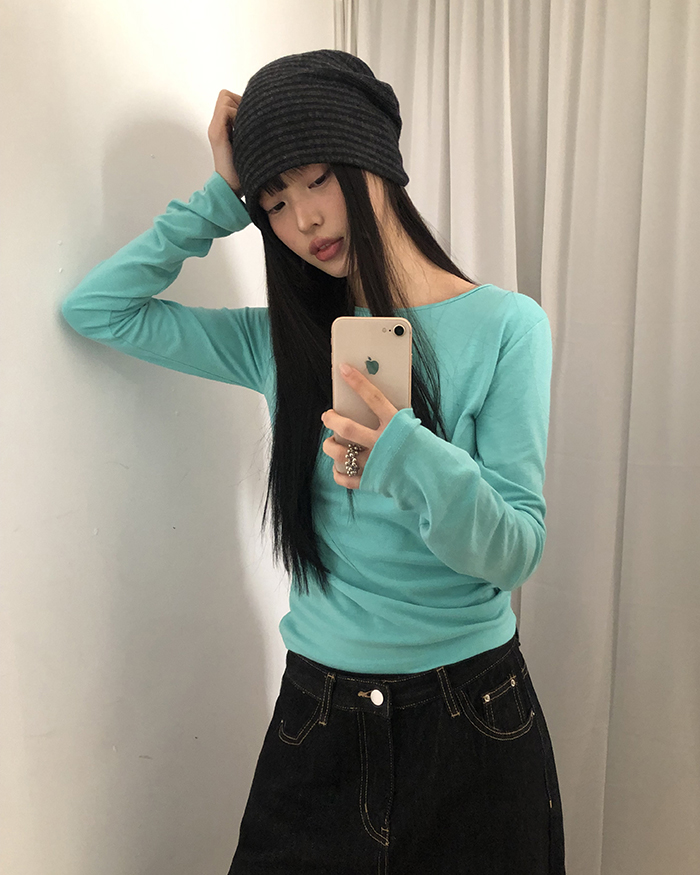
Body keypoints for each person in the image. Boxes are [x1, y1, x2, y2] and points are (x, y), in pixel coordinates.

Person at [61, 49, 565, 874]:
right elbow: (99, 309)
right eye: (274, 200)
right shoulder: (284, 343)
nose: (302, 219)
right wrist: (221, 196)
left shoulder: (509, 326)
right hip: (318, 713)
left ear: (374, 161)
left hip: (472, 714)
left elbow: (514, 551)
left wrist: (404, 450)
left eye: (318, 178)